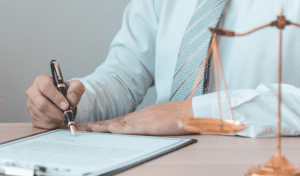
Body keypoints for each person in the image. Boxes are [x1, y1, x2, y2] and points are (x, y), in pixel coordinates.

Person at [26, 0, 300, 138]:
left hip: (262, 168)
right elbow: (122, 76)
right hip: (161, 167)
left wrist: (193, 113)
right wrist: (72, 102)